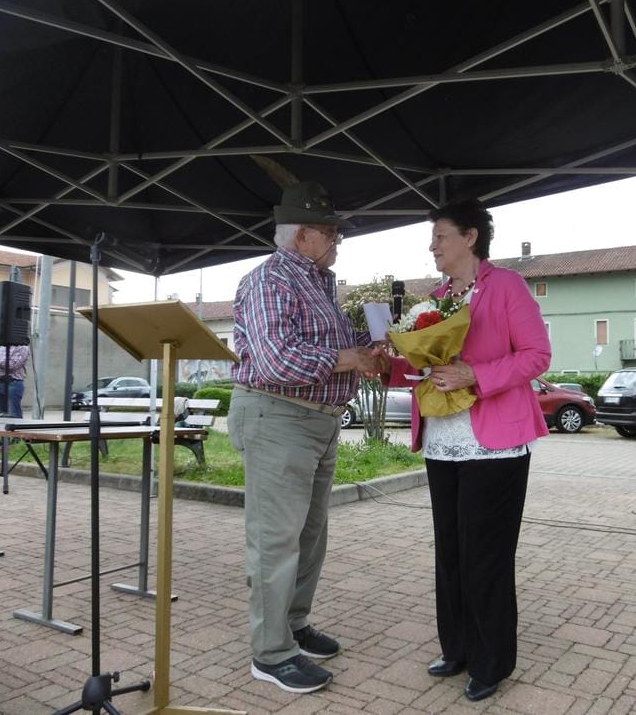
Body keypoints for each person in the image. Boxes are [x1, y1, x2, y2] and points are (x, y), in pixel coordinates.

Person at [379, 199, 552, 702]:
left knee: (486, 556)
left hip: (495, 444)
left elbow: (537, 355)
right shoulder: (434, 300)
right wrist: (390, 363)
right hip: (442, 440)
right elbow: (424, 369)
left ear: (470, 237)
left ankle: (491, 660)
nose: (432, 246)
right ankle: (455, 647)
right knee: (451, 551)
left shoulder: (507, 287)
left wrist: (475, 373)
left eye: (440, 236)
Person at [228, 181, 382, 694]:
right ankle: (270, 654)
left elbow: (329, 345)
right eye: (332, 233)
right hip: (279, 416)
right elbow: (276, 361)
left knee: (309, 535)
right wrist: (348, 358)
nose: (338, 241)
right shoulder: (269, 280)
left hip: (316, 420)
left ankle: (293, 626)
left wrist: (372, 344)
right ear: (303, 236)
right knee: (276, 540)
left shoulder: (318, 282)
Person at [0, 344, 29, 418]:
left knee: (14, 414)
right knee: (0, 415)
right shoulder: (2, 347)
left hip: (13, 383)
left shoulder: (23, 347)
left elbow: (12, 365)